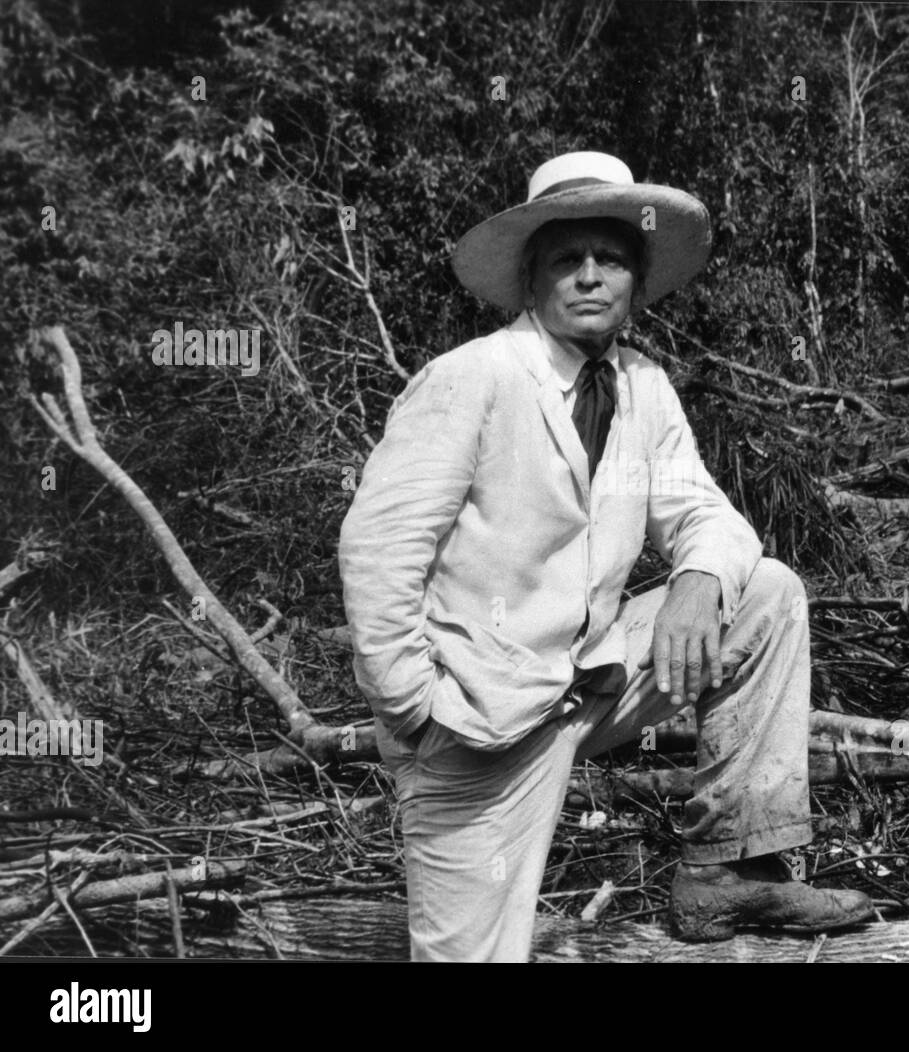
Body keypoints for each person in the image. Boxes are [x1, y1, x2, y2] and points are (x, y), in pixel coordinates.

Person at [338, 151, 874, 962]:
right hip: (474, 720)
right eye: (567, 259)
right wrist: (415, 708)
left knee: (764, 592)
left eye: (611, 259)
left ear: (635, 279)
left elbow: (704, 514)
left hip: (591, 682)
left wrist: (695, 578)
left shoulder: (640, 385)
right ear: (531, 280)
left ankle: (730, 866)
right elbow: (378, 548)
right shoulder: (472, 378)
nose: (591, 276)